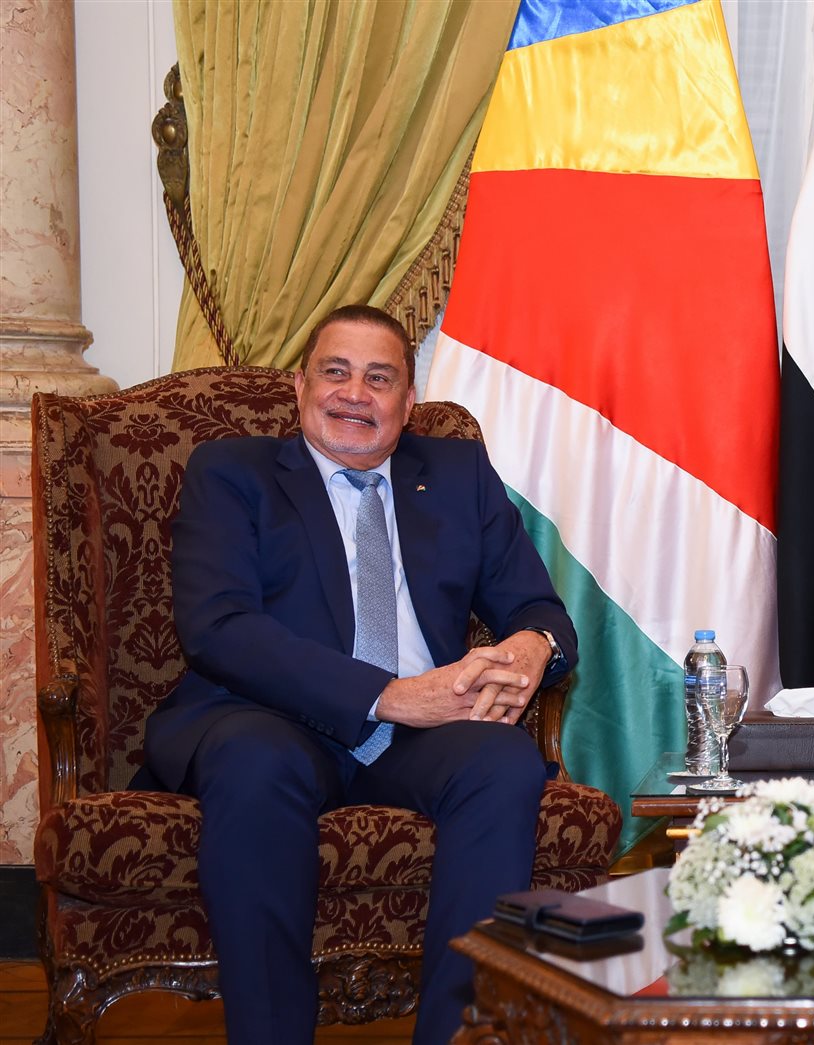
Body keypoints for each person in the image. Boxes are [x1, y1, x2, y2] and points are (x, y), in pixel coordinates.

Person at [134, 305, 577, 1045]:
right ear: (300, 386)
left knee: (503, 760)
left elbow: (540, 608)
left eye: (379, 378)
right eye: (335, 372)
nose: (354, 394)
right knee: (253, 760)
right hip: (269, 717)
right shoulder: (233, 472)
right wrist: (387, 696)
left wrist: (535, 645)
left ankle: (458, 1035)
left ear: (408, 402)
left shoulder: (459, 474)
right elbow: (218, 626)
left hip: (421, 735)